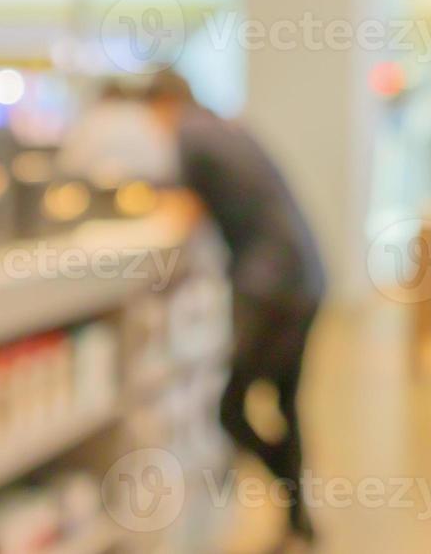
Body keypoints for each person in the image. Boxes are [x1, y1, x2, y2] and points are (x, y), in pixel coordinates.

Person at [142, 70, 326, 550]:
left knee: (230, 410)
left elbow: (180, 215)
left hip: (270, 285)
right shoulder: (226, 128)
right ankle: (300, 518)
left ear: (161, 104)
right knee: (285, 402)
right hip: (306, 274)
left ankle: (296, 503)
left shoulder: (189, 133)